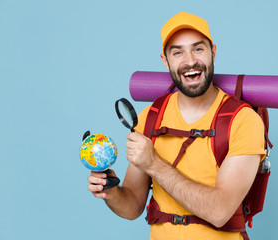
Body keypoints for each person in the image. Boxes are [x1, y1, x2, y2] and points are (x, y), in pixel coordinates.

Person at [87, 12, 265, 240]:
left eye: (198, 49)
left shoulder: (243, 120)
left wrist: (153, 163)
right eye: (178, 52)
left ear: (213, 52)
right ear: (165, 60)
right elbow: (132, 206)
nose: (190, 61)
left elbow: (219, 211)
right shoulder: (151, 117)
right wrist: (110, 190)